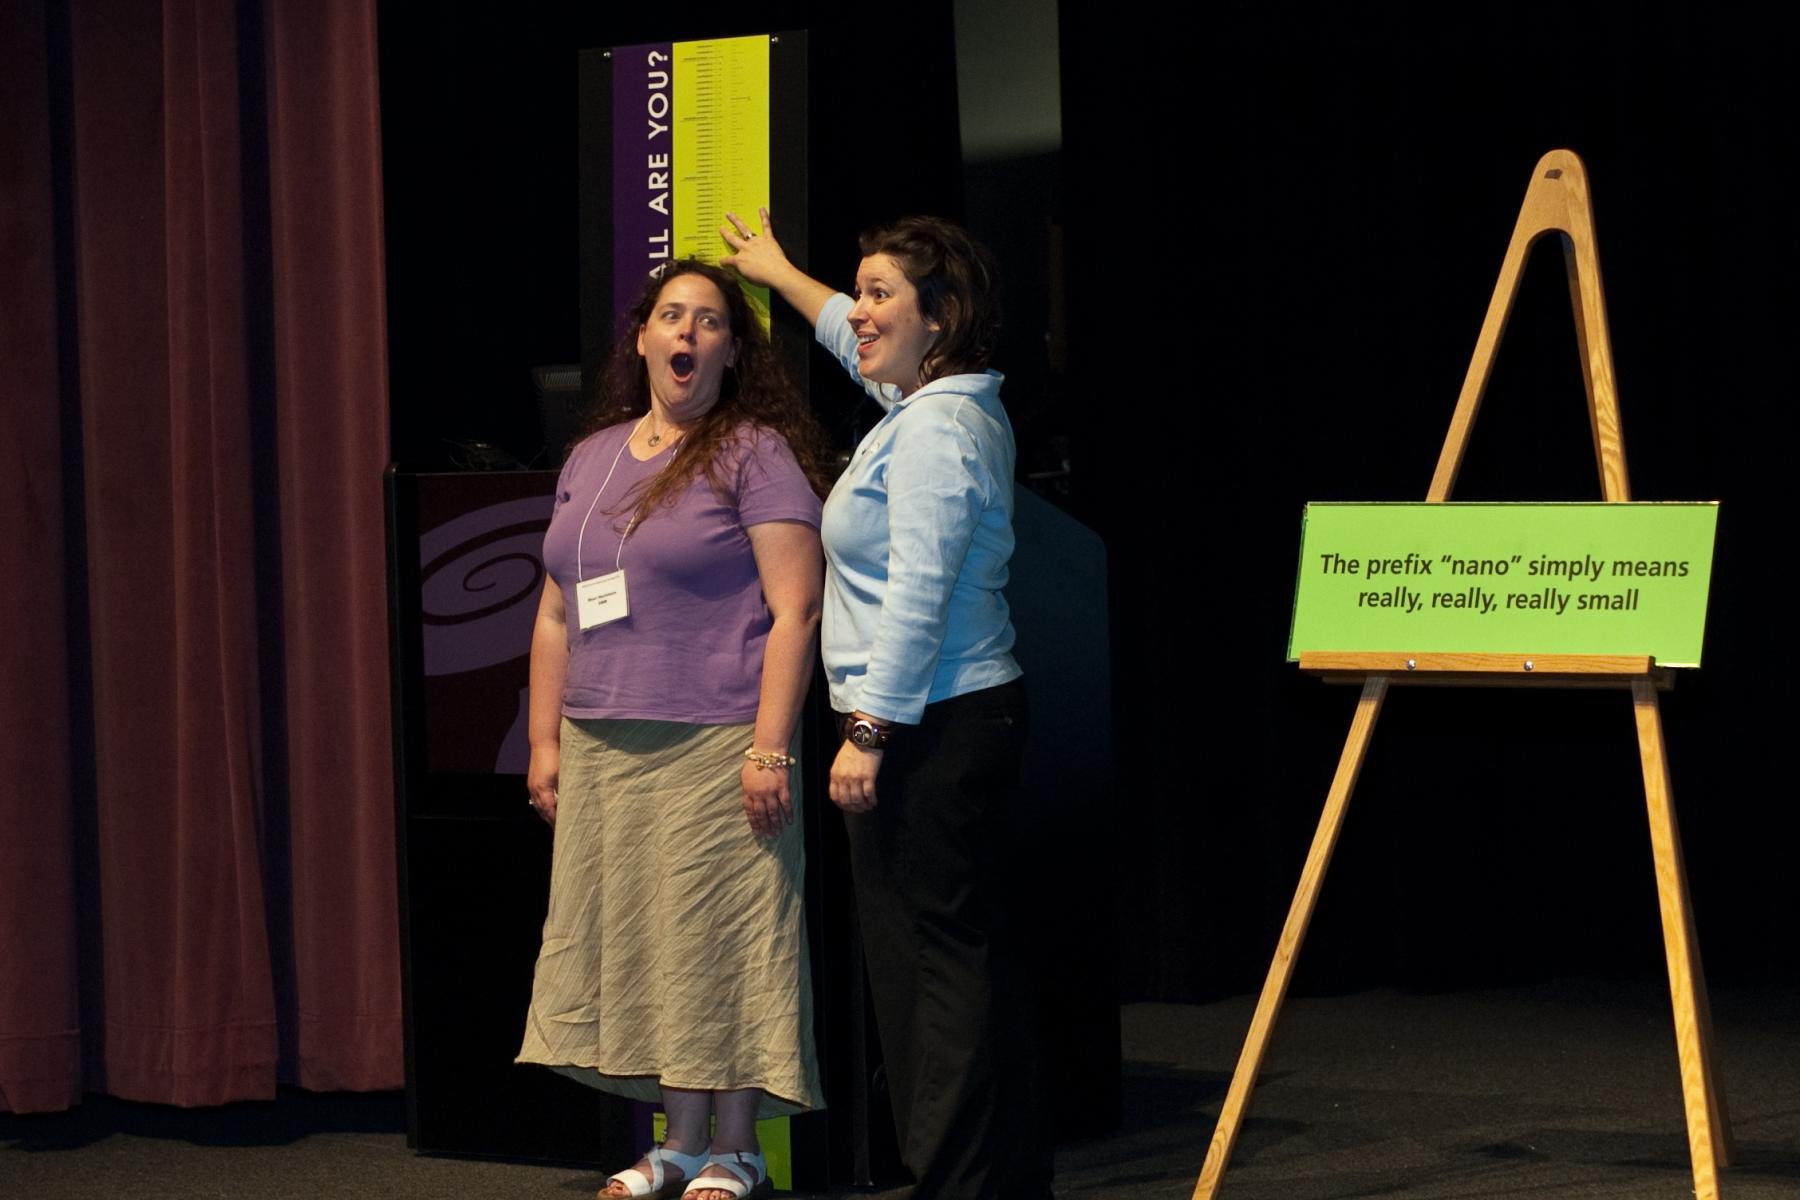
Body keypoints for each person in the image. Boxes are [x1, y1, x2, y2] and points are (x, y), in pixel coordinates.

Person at [722, 211, 1052, 1200]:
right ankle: (988, 1181)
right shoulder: (924, 408)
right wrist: (781, 273)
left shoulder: (940, 430)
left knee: (935, 974)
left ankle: (950, 1182)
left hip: (931, 729)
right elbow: (843, 337)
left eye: (880, 296)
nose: (858, 313)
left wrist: (870, 728)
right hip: (937, 721)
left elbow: (921, 586)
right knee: (941, 966)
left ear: (939, 318)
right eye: (858, 291)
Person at [517, 259, 833, 1200]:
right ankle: (679, 1142)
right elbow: (554, 613)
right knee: (647, 946)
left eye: (707, 322)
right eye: (670, 317)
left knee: (723, 939)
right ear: (644, 339)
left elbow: (798, 610)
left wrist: (769, 745)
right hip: (604, 744)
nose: (686, 334)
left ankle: (735, 1146)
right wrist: (544, 742)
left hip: (716, 743)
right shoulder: (593, 454)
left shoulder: (754, 451)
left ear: (732, 353)